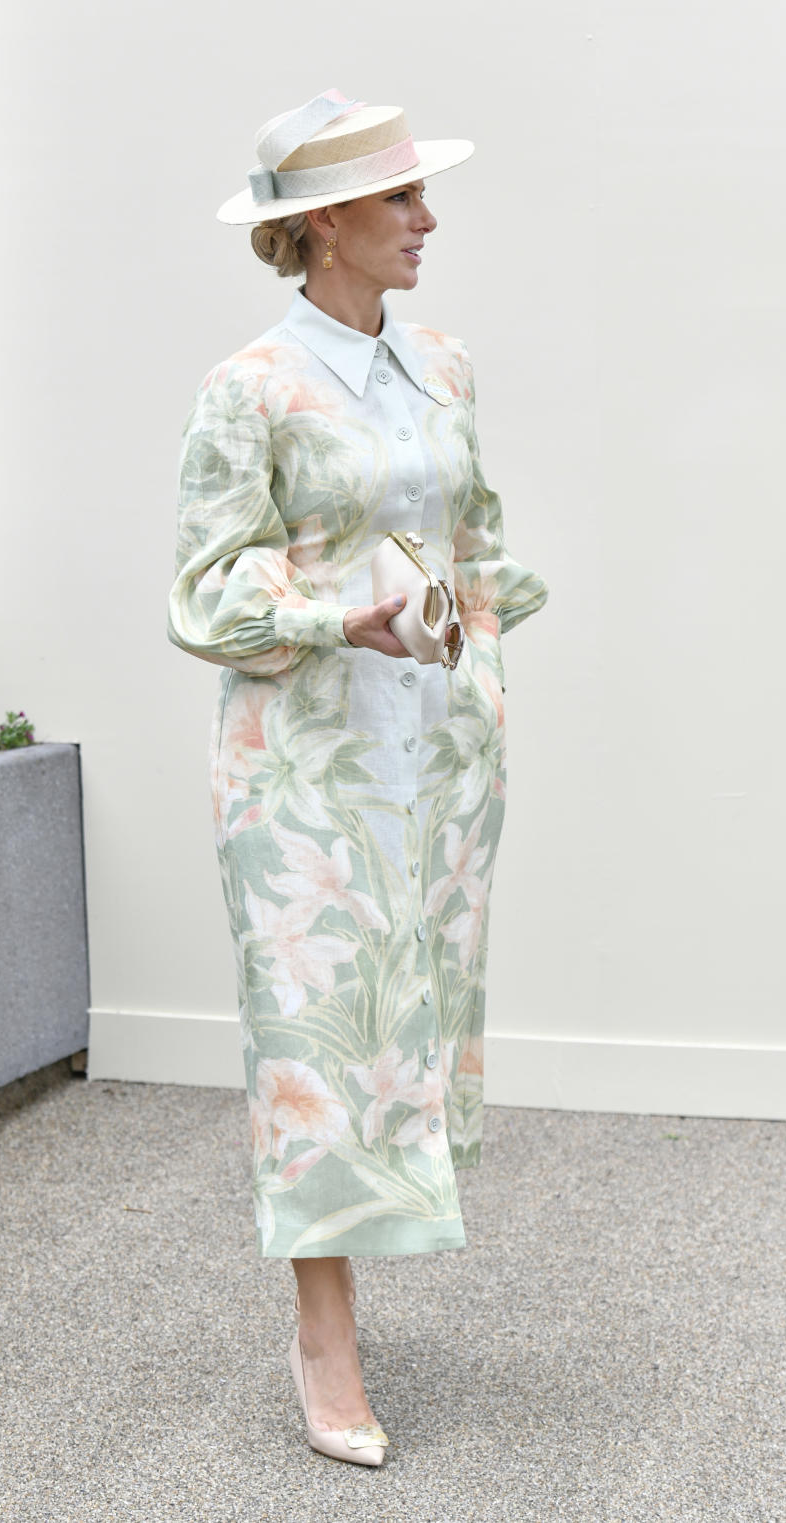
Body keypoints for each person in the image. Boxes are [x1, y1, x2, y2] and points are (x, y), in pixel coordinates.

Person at [167, 89, 548, 1467]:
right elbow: (204, 594)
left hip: (438, 762)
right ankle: (325, 1335)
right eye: (400, 200)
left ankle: (368, 1257)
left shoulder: (442, 364)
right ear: (324, 223)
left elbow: (479, 533)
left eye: (417, 196)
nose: (426, 219)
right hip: (301, 773)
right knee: (314, 1038)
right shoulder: (249, 388)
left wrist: (484, 648)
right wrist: (345, 615)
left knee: (415, 1013)